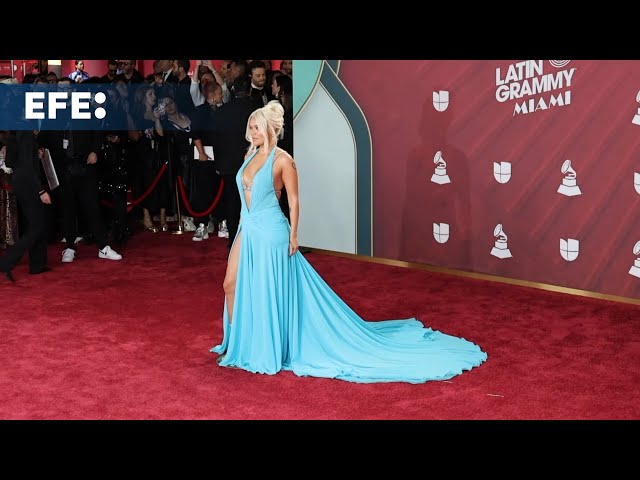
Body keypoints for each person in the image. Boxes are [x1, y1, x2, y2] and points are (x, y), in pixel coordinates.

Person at [211, 101, 487, 384]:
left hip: (271, 233)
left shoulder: (283, 160)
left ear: (269, 129)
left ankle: (259, 348)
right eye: (251, 127)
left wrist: (294, 235)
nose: (251, 132)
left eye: (256, 127)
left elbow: (293, 201)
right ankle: (237, 343)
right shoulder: (250, 153)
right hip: (248, 227)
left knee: (269, 290)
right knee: (231, 284)